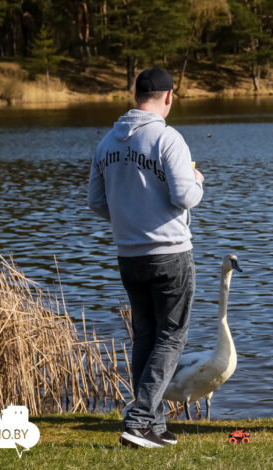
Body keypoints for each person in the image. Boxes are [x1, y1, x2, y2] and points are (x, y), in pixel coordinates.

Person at [88, 67, 205, 448]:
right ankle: (139, 421)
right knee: (171, 338)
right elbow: (185, 197)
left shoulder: (107, 142)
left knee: (146, 337)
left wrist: (131, 218)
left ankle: (153, 425)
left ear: (136, 94)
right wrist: (198, 180)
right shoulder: (168, 138)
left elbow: (96, 203)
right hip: (170, 253)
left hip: (128, 254)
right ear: (169, 97)